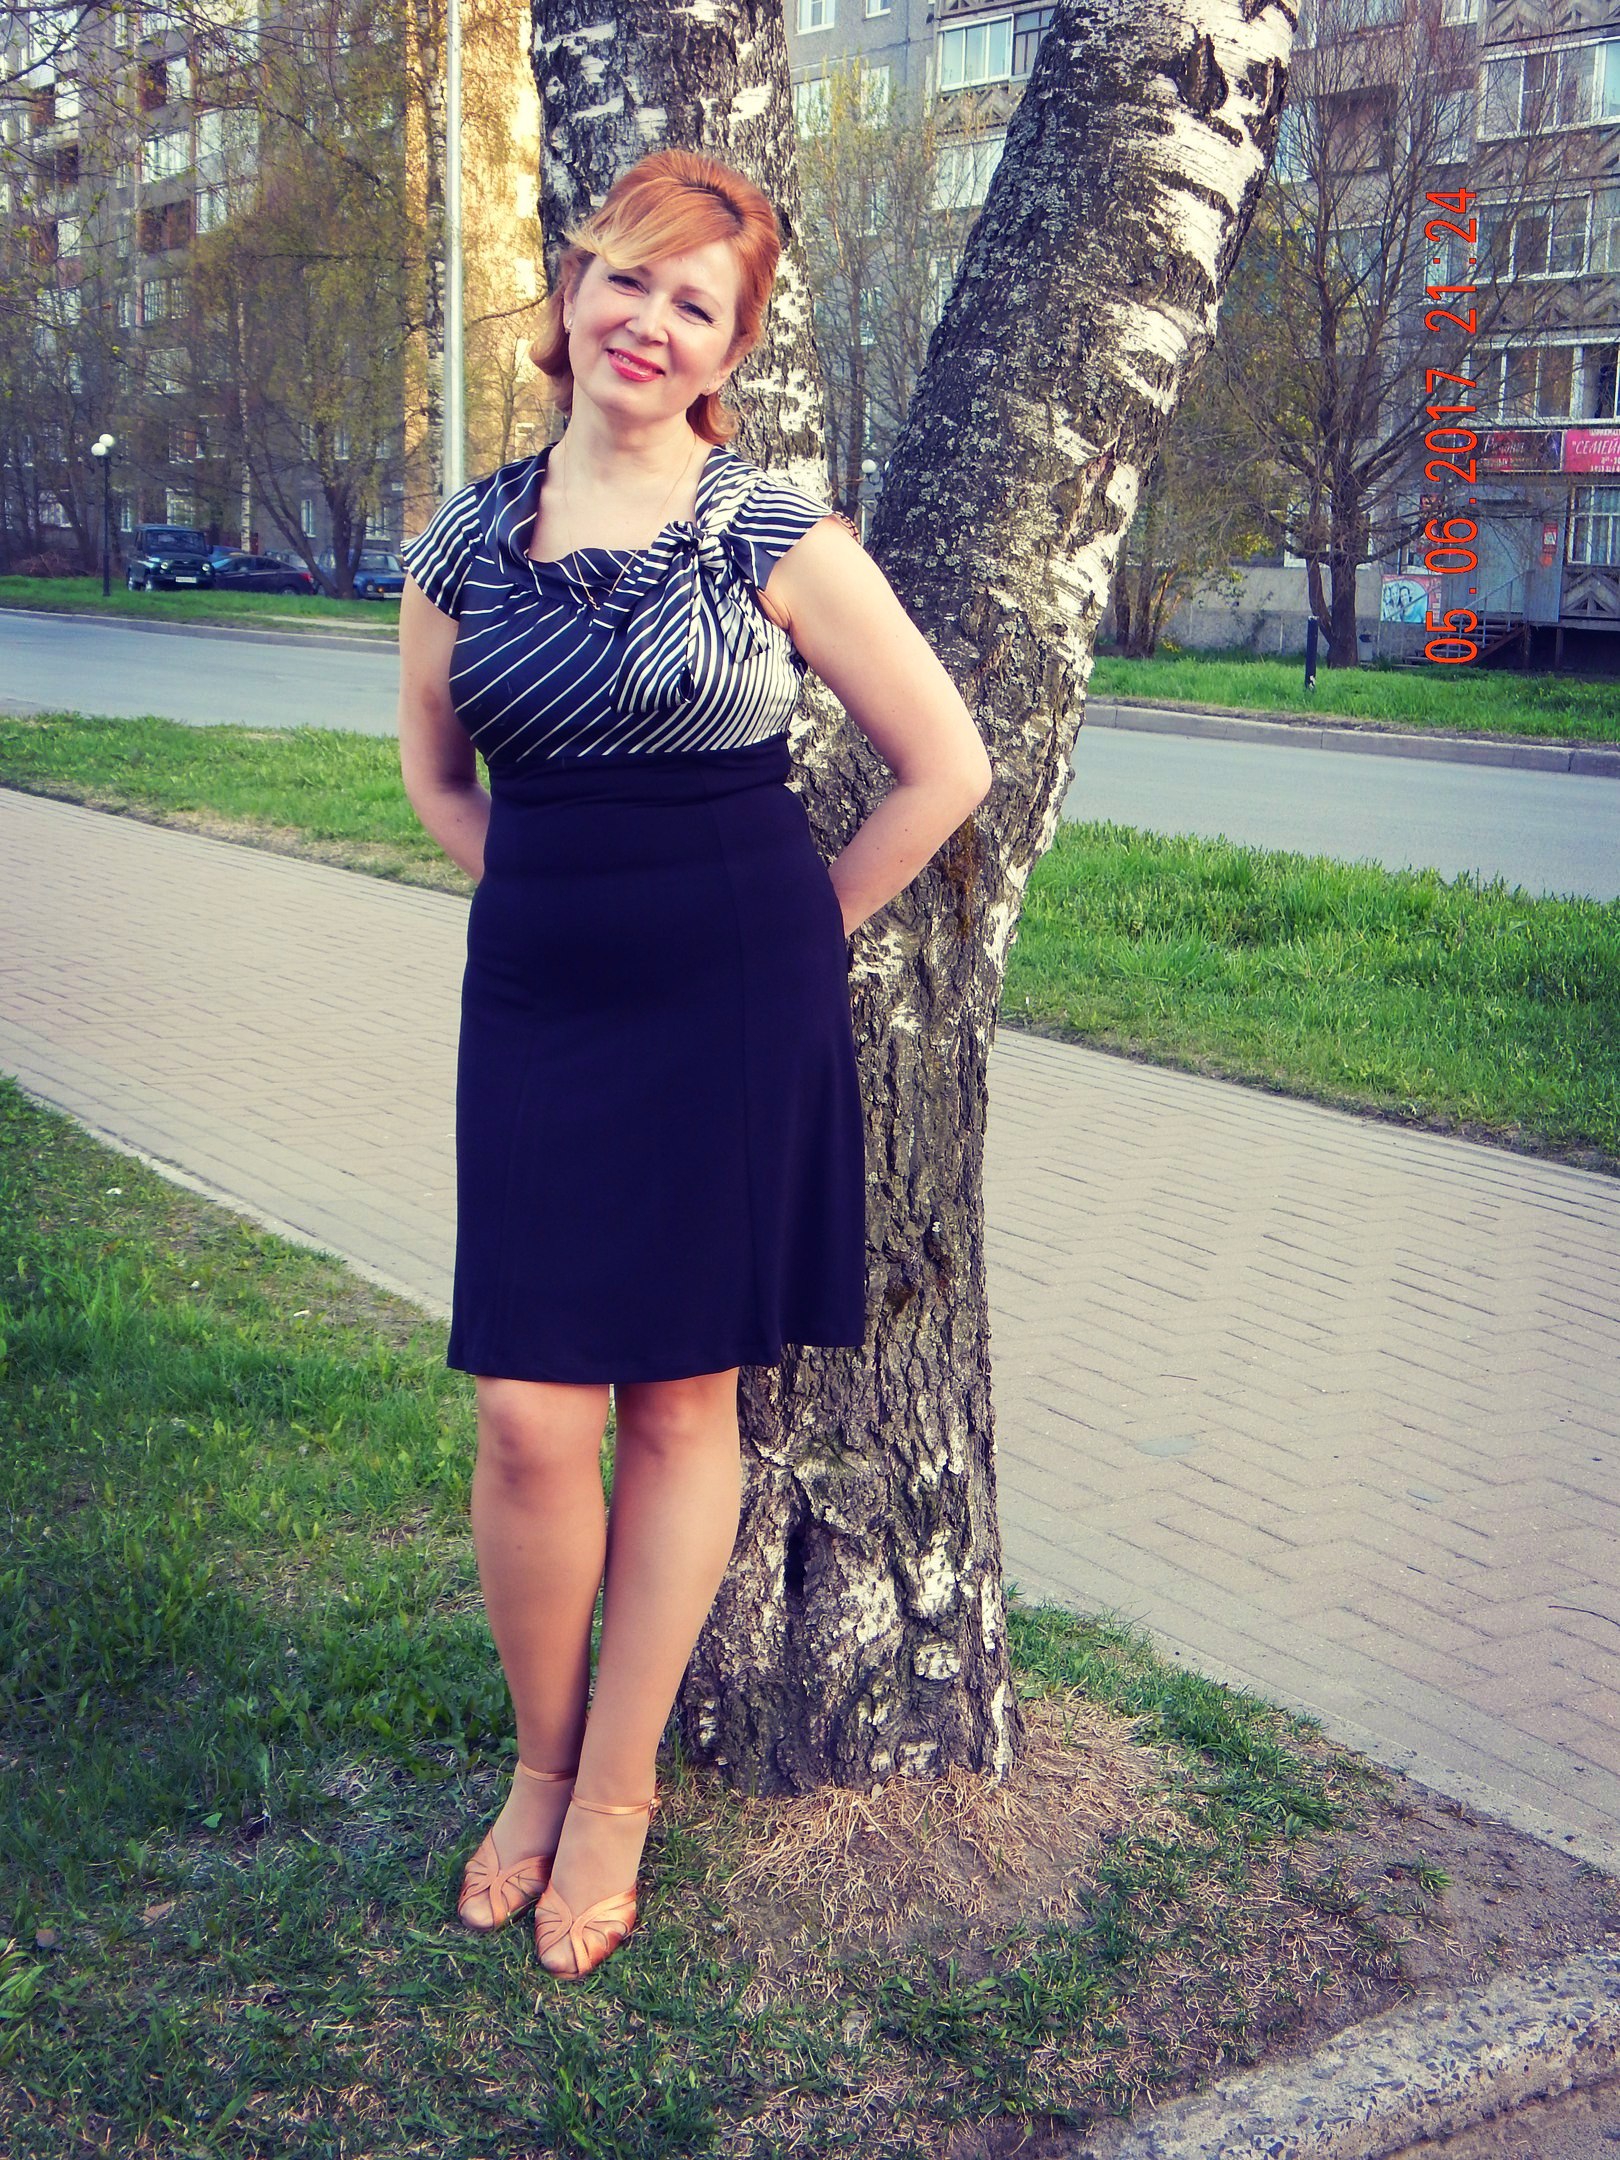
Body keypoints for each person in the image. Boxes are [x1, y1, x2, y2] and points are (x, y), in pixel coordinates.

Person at [396, 146, 992, 1981]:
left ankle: (617, 1793)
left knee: (676, 1407)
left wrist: (796, 930)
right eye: (627, 279)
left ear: (731, 347)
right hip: (542, 1006)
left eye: (694, 303)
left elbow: (947, 765)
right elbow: (436, 777)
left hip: (733, 1007)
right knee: (526, 1413)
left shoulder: (767, 531)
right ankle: (538, 1761)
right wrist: (555, 905)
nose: (648, 322)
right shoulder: (463, 542)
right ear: (571, 289)